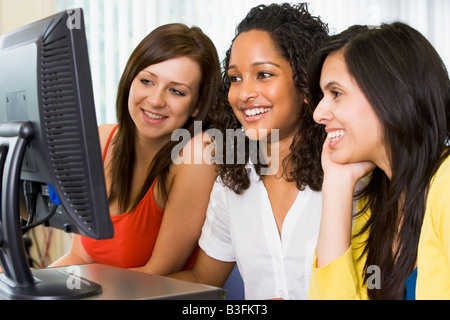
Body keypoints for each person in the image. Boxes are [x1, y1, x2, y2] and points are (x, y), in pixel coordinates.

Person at [169, 3, 329, 300]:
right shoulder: (234, 179)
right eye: (235, 78)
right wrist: (120, 290)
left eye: (264, 74)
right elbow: (203, 278)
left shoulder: (347, 175)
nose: (243, 94)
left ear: (306, 84)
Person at [51, 23, 222, 275]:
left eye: (176, 91)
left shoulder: (196, 157)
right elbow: (81, 255)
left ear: (197, 106)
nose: (155, 100)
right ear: (130, 81)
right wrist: (30, 286)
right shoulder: (100, 140)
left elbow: (156, 275)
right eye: (146, 81)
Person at [307, 22, 450, 299]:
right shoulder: (377, 201)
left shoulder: (446, 187)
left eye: (335, 93)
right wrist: (336, 184)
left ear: (391, 95)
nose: (318, 114)